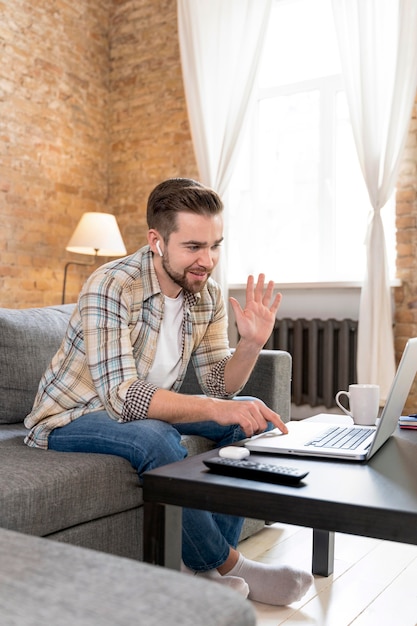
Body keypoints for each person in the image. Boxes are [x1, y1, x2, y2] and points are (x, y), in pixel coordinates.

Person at [25, 178, 313, 605]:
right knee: (158, 437)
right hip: (70, 415)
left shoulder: (206, 294)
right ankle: (231, 565)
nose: (208, 260)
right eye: (194, 246)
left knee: (247, 416)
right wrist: (215, 408)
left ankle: (199, 568)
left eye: (215, 245)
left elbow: (218, 384)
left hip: (142, 408)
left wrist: (251, 344)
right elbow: (122, 396)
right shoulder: (112, 284)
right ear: (157, 241)